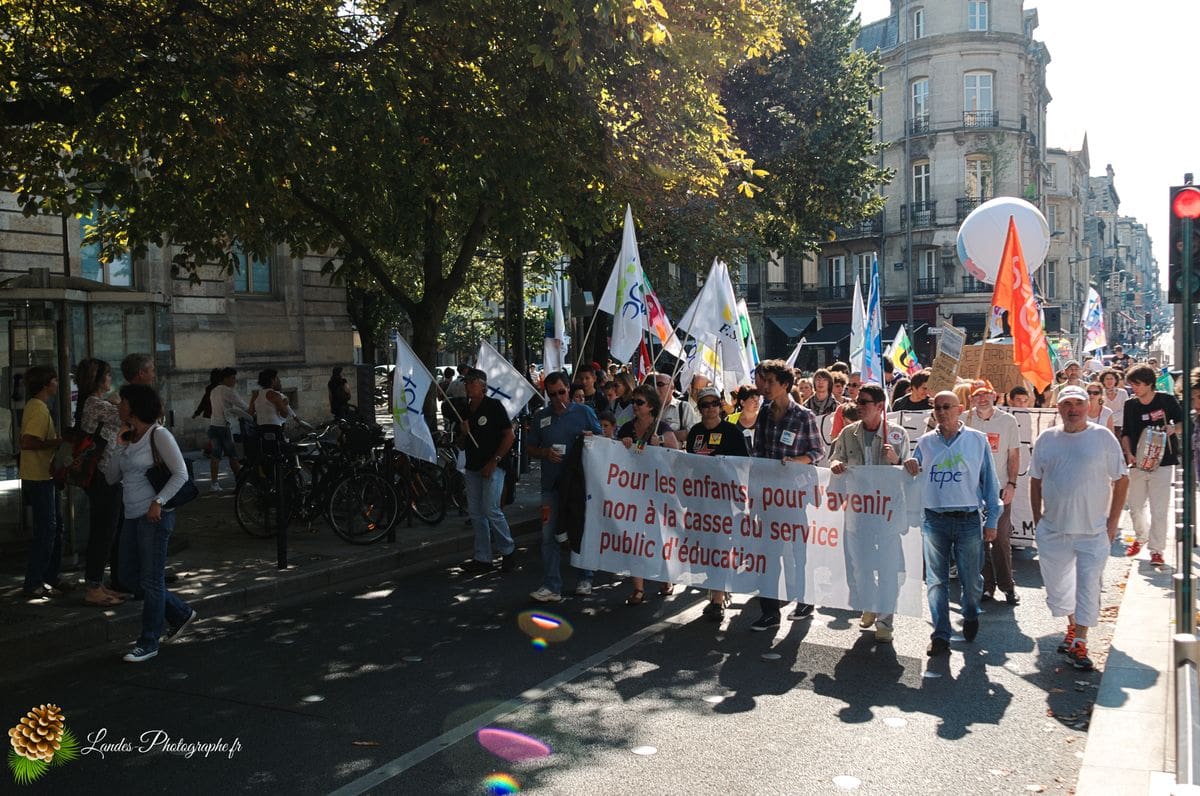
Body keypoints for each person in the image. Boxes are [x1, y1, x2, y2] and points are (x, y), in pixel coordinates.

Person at [1030, 386, 1129, 670]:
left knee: (1087, 586)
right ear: (1058, 408)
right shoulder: (1047, 439)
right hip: (1054, 531)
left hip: (1092, 531)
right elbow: (1035, 480)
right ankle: (1072, 626)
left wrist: (1112, 523)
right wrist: (1038, 520)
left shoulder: (1103, 438)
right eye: (1066, 404)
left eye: (1078, 404)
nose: (1072, 409)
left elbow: (1121, 480)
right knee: (1060, 588)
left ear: (1089, 406)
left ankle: (1081, 642)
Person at [903, 391, 1002, 656]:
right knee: (936, 580)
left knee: (970, 580)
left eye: (947, 407)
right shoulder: (924, 443)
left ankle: (970, 613)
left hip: (968, 519)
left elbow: (990, 483)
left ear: (959, 409)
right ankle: (941, 635)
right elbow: (914, 477)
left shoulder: (977, 440)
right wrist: (910, 464)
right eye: (937, 408)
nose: (942, 412)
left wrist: (992, 519)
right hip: (935, 520)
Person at [104, 384, 196, 662]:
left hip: (154, 516)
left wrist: (160, 500)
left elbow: (180, 474)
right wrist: (118, 447)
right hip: (131, 515)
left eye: (123, 402)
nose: (119, 406)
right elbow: (110, 477)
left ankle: (148, 641)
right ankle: (179, 612)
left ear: (135, 406)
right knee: (129, 576)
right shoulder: (129, 438)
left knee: (152, 579)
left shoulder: (159, 434)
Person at [827, 383, 908, 642]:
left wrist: (897, 461)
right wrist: (836, 464)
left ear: (880, 406)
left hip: (886, 514)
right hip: (858, 513)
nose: (859, 406)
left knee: (887, 568)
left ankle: (885, 621)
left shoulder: (897, 434)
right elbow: (834, 459)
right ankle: (869, 604)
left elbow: (910, 474)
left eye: (864, 402)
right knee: (860, 567)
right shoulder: (848, 434)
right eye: (858, 401)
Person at [749, 359, 823, 631]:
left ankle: (804, 600)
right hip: (768, 499)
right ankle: (769, 612)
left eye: (770, 382)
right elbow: (757, 455)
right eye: (763, 381)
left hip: (794, 499)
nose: (765, 387)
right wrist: (753, 495)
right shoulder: (765, 413)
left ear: (785, 385)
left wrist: (797, 461)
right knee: (768, 555)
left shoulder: (804, 416)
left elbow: (817, 452)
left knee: (798, 554)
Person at [527, 371, 602, 602]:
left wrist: (592, 438)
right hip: (552, 485)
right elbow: (530, 448)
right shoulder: (541, 417)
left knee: (579, 529)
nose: (558, 398)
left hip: (579, 486)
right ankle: (551, 585)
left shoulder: (584, 412)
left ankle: (585, 577)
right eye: (552, 395)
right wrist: (544, 453)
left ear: (569, 388)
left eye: (561, 392)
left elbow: (604, 440)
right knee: (549, 535)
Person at [685, 386, 749, 622]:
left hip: (724, 500)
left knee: (720, 548)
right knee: (705, 548)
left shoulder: (732, 432)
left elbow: (744, 464)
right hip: (700, 499)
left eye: (714, 404)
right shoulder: (695, 431)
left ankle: (717, 599)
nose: (710, 408)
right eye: (705, 404)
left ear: (721, 406)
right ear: (699, 408)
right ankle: (715, 589)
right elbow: (688, 461)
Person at [618, 383, 680, 605]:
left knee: (659, 536)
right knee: (634, 538)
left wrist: (660, 443)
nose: (634, 406)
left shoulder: (661, 428)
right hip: (634, 491)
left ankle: (666, 578)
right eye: (633, 401)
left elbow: (676, 453)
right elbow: (614, 457)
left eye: (639, 402)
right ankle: (638, 588)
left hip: (659, 491)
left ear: (651, 406)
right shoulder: (626, 429)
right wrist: (621, 445)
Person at [1119, 364, 1184, 566]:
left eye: (1137, 384)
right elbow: (1126, 432)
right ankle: (1141, 536)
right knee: (1135, 506)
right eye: (1132, 385)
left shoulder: (1166, 399)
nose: (1134, 388)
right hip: (1138, 462)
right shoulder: (1130, 405)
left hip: (1163, 462)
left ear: (1149, 383)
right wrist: (1128, 453)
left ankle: (1156, 550)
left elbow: (1183, 424)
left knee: (1159, 508)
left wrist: (1172, 428)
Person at [964, 381, 1021, 605]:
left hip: (999, 490)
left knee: (1000, 539)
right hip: (972, 492)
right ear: (970, 399)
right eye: (977, 395)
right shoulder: (964, 421)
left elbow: (1014, 456)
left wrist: (1012, 484)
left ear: (995, 395)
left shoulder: (1008, 421)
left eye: (986, 394)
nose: (982, 399)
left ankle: (1007, 586)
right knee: (978, 540)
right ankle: (987, 586)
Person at [76, 358, 126, 607]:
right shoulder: (94, 403)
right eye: (107, 375)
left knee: (106, 529)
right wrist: (120, 399)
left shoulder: (94, 402)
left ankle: (97, 582)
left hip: (105, 474)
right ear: (98, 379)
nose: (110, 380)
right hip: (102, 475)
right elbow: (125, 415)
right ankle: (93, 586)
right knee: (103, 531)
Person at [458, 368, 517, 573]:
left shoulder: (494, 406)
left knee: (491, 509)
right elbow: (461, 445)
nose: (468, 386)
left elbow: (509, 436)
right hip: (473, 466)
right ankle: (483, 557)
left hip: (494, 465)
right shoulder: (465, 409)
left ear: (483, 385)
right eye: (466, 382)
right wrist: (463, 433)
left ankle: (508, 550)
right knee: (475, 513)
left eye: (472, 382)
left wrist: (494, 461)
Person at [19, 365, 67, 599]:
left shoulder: (35, 406)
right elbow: (28, 442)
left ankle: (49, 574)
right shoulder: (38, 409)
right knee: (47, 529)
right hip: (39, 476)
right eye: (55, 380)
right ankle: (35, 580)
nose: (58, 384)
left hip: (41, 474)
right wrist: (56, 442)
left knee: (54, 527)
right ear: (47, 384)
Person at [206, 368, 251, 491]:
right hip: (225, 427)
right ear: (226, 378)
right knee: (233, 456)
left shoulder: (214, 390)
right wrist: (253, 411)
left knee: (215, 456)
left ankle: (214, 484)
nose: (234, 380)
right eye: (233, 378)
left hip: (214, 425)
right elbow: (243, 405)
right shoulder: (228, 391)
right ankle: (240, 481)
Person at [646, 372, 695, 446]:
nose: (655, 388)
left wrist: (662, 438)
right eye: (653, 384)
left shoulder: (684, 407)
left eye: (660, 384)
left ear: (672, 388)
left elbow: (692, 433)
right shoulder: (646, 406)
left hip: (673, 455)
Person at [726, 385, 762, 450]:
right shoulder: (729, 420)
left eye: (758, 399)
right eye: (753, 399)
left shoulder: (764, 419)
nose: (757, 403)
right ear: (742, 402)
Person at [1099, 369, 1128, 434]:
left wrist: (1110, 418)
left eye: (1111, 378)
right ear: (1103, 381)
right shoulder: (1100, 393)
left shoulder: (1123, 393)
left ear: (1116, 380)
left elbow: (1125, 410)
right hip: (1104, 426)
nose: (1109, 381)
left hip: (1120, 426)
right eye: (1107, 379)